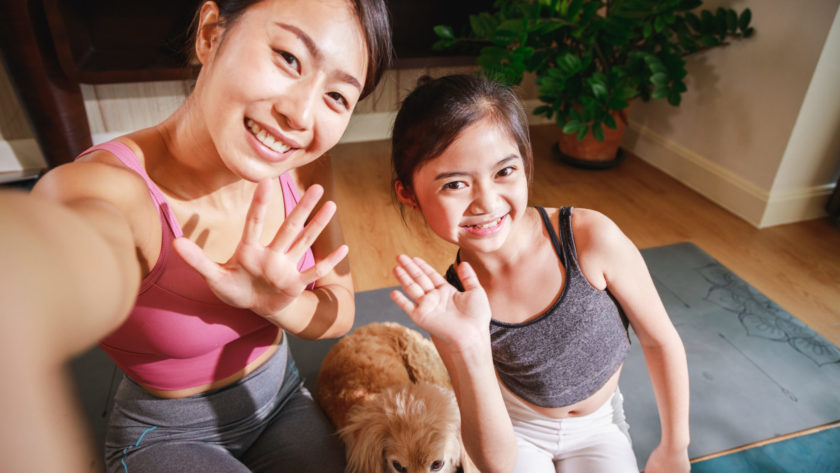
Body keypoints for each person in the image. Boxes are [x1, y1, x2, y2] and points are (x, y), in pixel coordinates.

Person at [0, 0, 392, 471]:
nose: (300, 115)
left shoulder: (304, 162)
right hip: (165, 433)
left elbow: (340, 311)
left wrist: (276, 304)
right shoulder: (113, 191)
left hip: (283, 400)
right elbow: (58, 256)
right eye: (289, 58)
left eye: (337, 96)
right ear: (210, 34)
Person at [388, 74, 690, 473]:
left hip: (599, 426)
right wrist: (471, 347)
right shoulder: (452, 305)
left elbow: (661, 341)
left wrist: (674, 446)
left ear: (525, 162)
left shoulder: (588, 239)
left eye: (504, 172)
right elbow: (496, 461)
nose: (487, 201)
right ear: (409, 194)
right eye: (456, 184)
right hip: (517, 429)